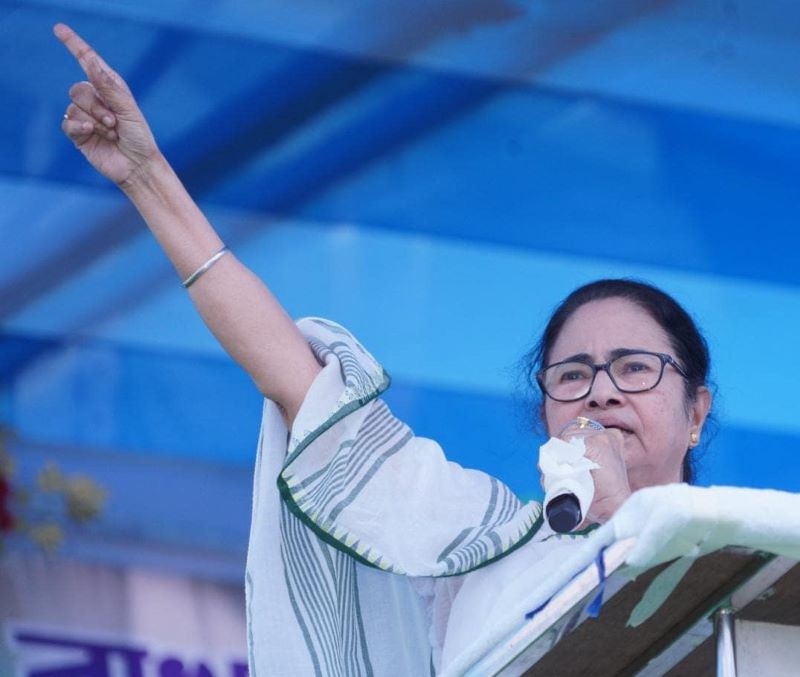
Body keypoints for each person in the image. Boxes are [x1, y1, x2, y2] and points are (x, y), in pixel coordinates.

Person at [54, 23, 713, 675]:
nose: (601, 391)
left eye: (634, 367)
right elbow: (298, 382)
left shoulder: (749, 555)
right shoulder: (479, 543)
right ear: (544, 414)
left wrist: (620, 516)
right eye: (572, 375)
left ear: (696, 412)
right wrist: (147, 178)